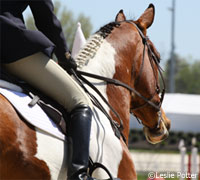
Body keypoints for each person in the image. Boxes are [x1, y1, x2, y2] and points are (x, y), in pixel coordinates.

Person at [0, 0, 94, 179]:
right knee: (80, 101)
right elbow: (45, 18)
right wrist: (65, 57)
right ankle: (79, 175)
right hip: (9, 46)